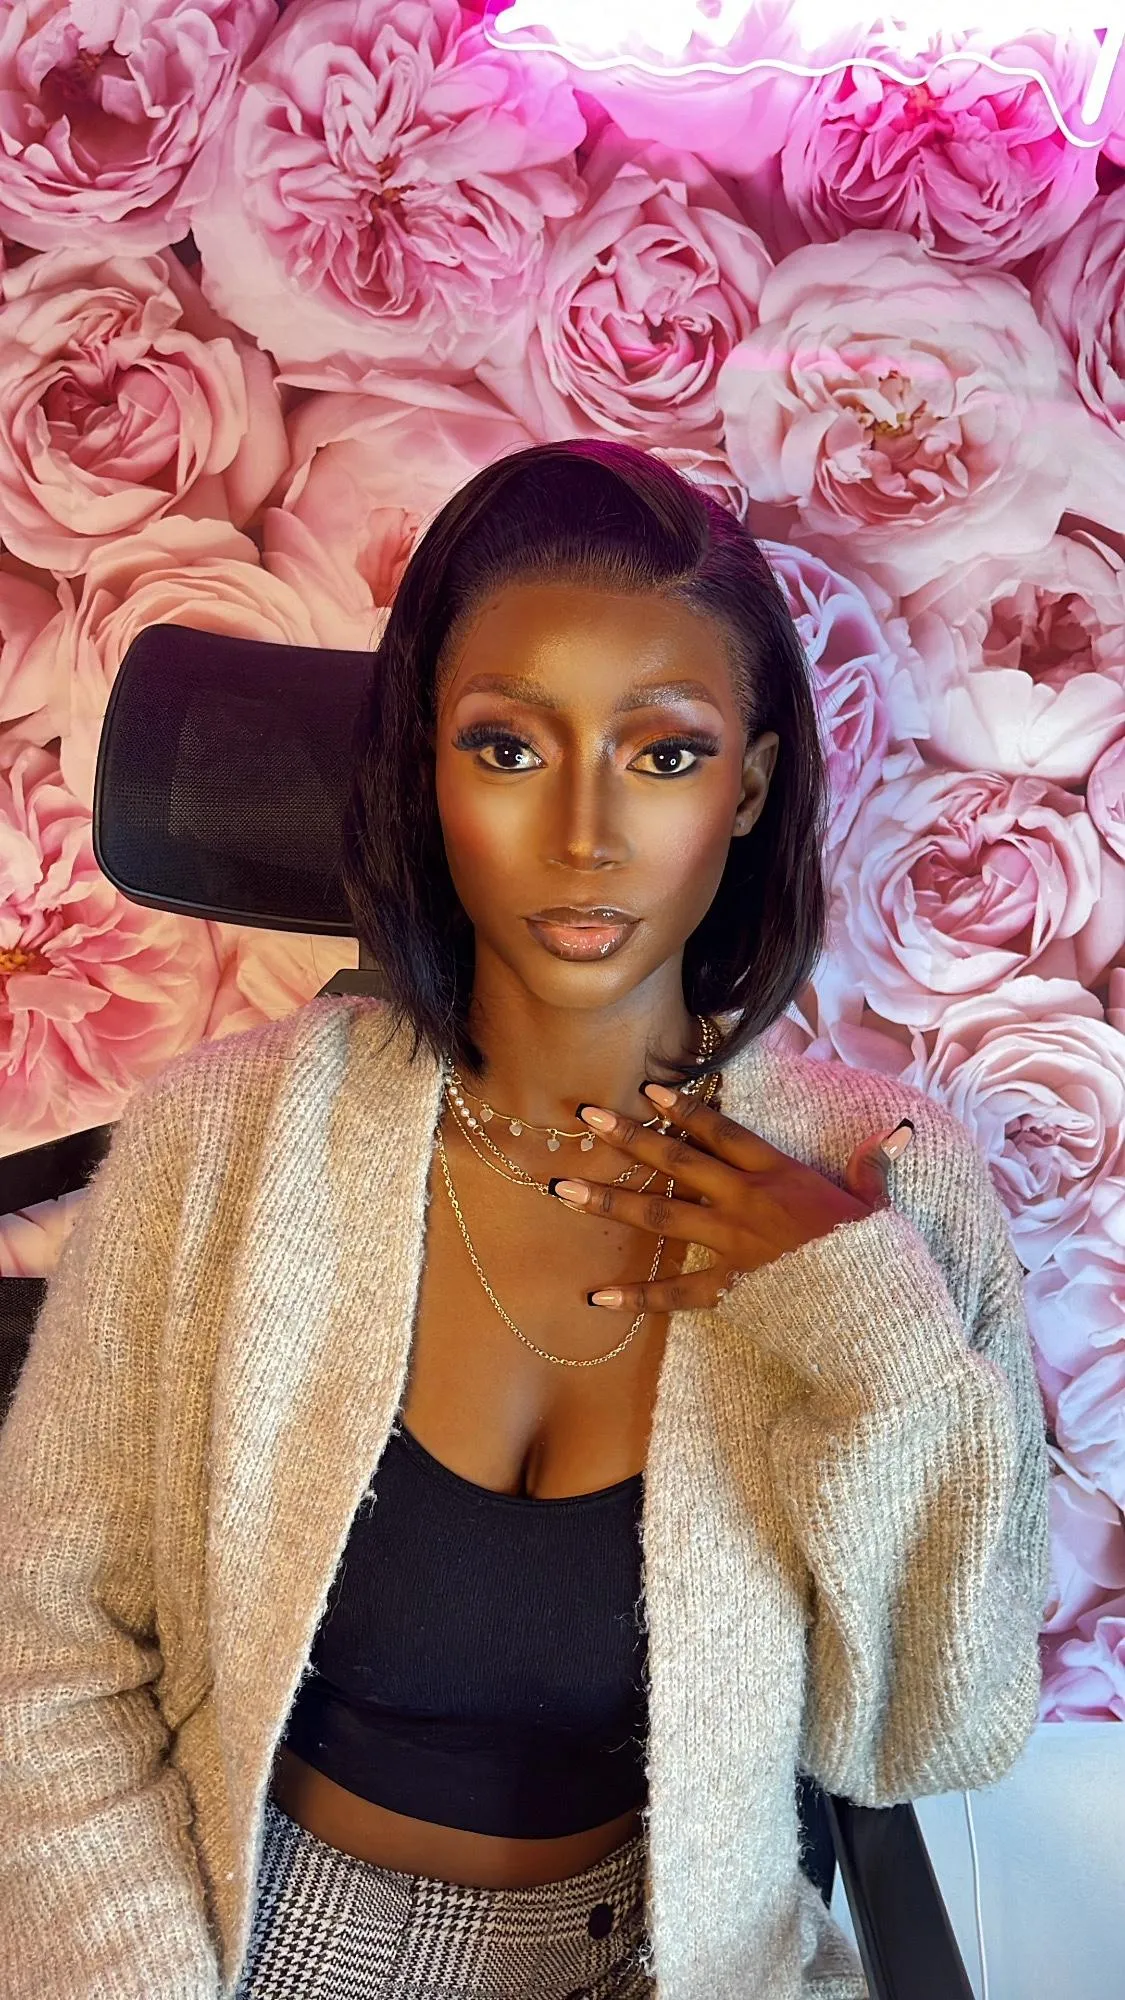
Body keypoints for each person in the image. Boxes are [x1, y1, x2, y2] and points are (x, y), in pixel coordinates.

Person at [0, 440, 1051, 2000]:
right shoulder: (217, 1144)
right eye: (506, 747)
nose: (583, 834)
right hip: (246, 1946)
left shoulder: (886, 1182)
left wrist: (867, 1342)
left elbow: (922, 1740)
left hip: (671, 1959)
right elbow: (48, 1659)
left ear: (752, 788)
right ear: (424, 767)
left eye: (666, 754)